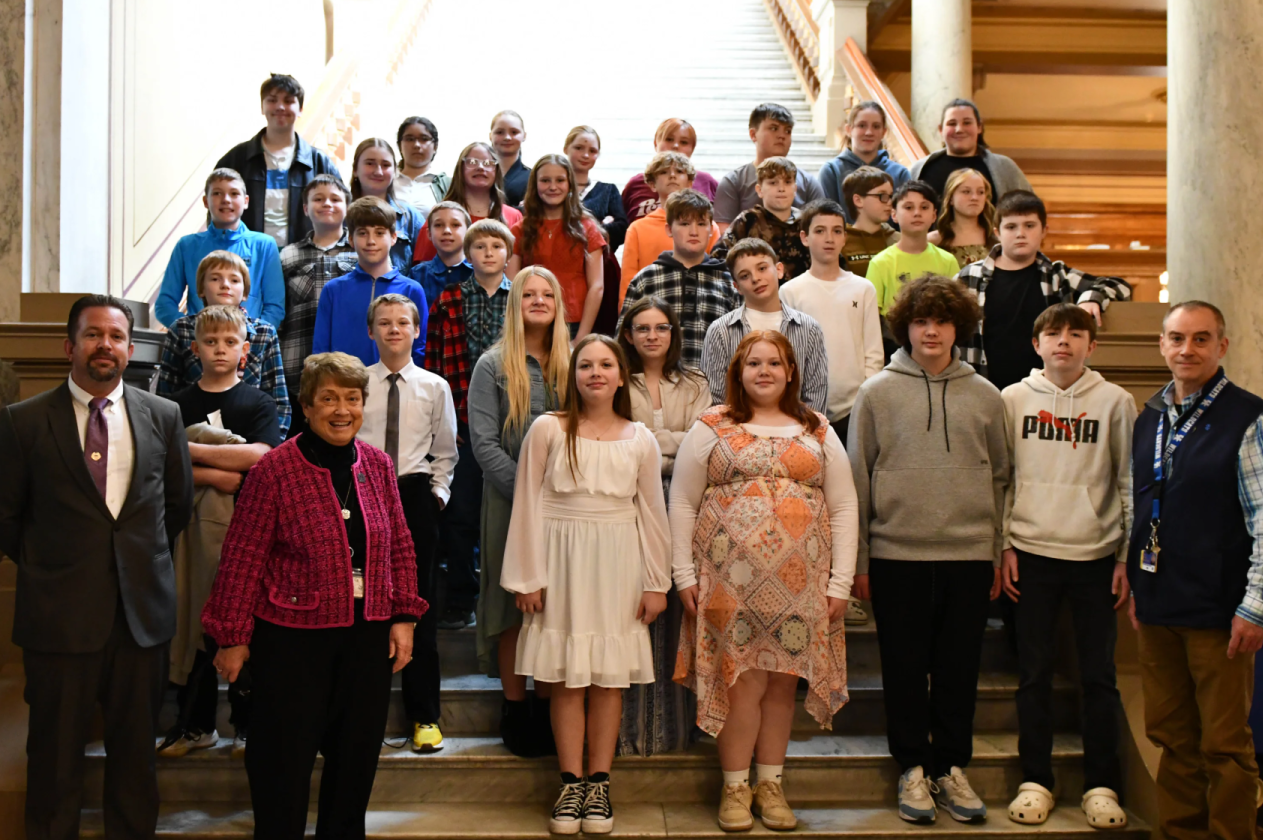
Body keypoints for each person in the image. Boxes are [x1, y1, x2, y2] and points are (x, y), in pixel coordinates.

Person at [202, 352, 426, 840]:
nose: (341, 409)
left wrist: (404, 614)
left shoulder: (379, 466)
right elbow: (242, 557)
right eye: (328, 398)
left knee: (354, 765)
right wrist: (232, 636)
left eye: (351, 398)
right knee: (281, 768)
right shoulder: (274, 470)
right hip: (291, 642)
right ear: (306, 406)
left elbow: (400, 544)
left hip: (366, 638)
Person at [0, 294, 193, 840]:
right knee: (54, 760)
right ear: (69, 346)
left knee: (135, 760)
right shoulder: (22, 423)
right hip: (58, 620)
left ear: (131, 350)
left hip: (141, 620)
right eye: (92, 335)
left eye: (114, 336)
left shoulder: (164, 416)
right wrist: (57, 567)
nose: (104, 345)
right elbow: (8, 520)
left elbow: (173, 508)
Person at [672, 330, 857, 832]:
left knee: (780, 687)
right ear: (738, 372)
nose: (764, 371)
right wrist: (682, 574)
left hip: (802, 584)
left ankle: (771, 785)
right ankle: (735, 787)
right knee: (741, 684)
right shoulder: (712, 425)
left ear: (791, 370)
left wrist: (840, 582)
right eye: (753, 363)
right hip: (728, 583)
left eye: (775, 362)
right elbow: (683, 501)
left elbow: (843, 506)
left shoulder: (817, 428)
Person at [848, 275, 1008, 825]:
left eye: (941, 321)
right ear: (905, 328)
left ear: (958, 327)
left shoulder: (987, 396)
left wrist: (995, 549)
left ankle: (949, 767)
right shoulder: (876, 393)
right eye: (921, 321)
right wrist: (862, 561)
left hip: (967, 556)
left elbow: (1003, 479)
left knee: (960, 669)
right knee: (904, 667)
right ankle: (913, 768)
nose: (932, 331)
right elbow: (857, 484)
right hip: (897, 555)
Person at [502, 335, 671, 835]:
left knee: (608, 680)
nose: (595, 373)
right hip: (559, 561)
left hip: (618, 560)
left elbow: (653, 515)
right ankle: (570, 783)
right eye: (585, 365)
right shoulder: (548, 429)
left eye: (606, 365)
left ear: (622, 375)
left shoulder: (640, 437)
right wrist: (527, 576)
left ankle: (600, 783)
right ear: (572, 375)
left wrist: (655, 582)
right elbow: (526, 505)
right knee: (567, 681)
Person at [1126, 301, 1263, 840]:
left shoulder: (1247, 417)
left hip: (1221, 613)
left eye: (1201, 339)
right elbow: (1140, 508)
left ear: (1221, 347)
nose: (1187, 350)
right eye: (1177, 339)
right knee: (1171, 738)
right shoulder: (1150, 419)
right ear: (1161, 345)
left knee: (1224, 747)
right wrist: (1138, 585)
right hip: (1158, 606)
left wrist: (1254, 606)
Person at [999, 303, 1134, 830]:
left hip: (1095, 555)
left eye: (1076, 334)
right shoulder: (1012, 399)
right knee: (1032, 674)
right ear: (1037, 344)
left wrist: (1124, 556)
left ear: (1091, 346)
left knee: (1098, 676)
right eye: (1053, 334)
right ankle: (1036, 780)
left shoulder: (1115, 402)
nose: (1063, 342)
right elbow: (1004, 479)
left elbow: (1127, 481)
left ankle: (1102, 785)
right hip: (1029, 552)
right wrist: (1005, 546)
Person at [160, 305, 280, 758]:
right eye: (211, 342)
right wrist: (212, 475)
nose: (220, 349)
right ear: (194, 349)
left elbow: (260, 457)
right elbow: (164, 463)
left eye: (230, 342)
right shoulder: (176, 403)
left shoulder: (257, 402)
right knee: (194, 622)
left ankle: (246, 726)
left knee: (242, 624)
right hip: (190, 528)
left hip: (247, 530)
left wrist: (187, 448)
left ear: (246, 350)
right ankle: (196, 724)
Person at [467, 266, 571, 756]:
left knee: (552, 608)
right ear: (514, 304)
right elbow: (484, 445)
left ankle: (549, 705)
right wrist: (529, 495)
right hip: (509, 504)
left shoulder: (574, 362)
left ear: (557, 303)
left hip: (570, 508)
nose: (536, 300)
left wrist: (558, 497)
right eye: (527, 293)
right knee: (512, 607)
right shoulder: (492, 365)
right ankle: (516, 706)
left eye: (545, 292)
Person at [359, 294, 459, 754]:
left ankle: (425, 716)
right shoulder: (357, 382)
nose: (394, 329)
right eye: (385, 323)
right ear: (371, 331)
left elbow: (446, 450)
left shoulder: (434, 386)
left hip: (415, 494)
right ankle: (365, 715)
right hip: (363, 493)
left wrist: (437, 494)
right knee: (365, 606)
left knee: (417, 605)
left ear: (417, 331)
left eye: (403, 322)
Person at [614, 298, 710, 757]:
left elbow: (702, 444)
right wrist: (669, 444)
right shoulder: (614, 378)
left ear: (674, 333)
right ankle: (631, 730)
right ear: (628, 334)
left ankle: (676, 726)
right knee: (636, 605)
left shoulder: (696, 383)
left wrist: (649, 442)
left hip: (690, 503)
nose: (652, 336)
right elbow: (615, 439)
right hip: (627, 504)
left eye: (661, 328)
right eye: (642, 328)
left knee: (679, 608)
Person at [425, 219, 516, 630]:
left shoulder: (520, 298)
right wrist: (439, 417)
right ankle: (461, 598)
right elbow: (436, 360)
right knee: (461, 515)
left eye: (497, 246)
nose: (488, 253)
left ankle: (506, 598)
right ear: (469, 253)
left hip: (511, 424)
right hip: (461, 420)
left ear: (508, 255)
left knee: (508, 515)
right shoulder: (449, 298)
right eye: (479, 247)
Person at [956, 190, 1132, 395]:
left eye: (1029, 226)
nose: (1020, 233)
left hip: (1045, 395)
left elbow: (1121, 287)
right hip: (981, 391)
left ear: (1044, 230)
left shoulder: (1058, 276)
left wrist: (1089, 298)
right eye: (1011, 227)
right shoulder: (968, 277)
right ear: (997, 231)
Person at [781, 199, 884, 444]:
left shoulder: (863, 288)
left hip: (854, 407)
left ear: (844, 238)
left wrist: (865, 398)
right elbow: (787, 354)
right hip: (804, 407)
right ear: (805, 238)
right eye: (820, 231)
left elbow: (873, 352)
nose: (829, 238)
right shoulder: (790, 291)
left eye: (837, 231)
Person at [157, 250, 290, 436]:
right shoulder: (182, 329)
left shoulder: (264, 333)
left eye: (234, 280)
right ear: (201, 289)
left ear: (245, 292)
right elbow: (165, 396)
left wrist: (270, 448)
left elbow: (278, 400)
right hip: (193, 434)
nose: (225, 285)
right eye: (215, 279)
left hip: (251, 435)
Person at [703, 237, 828, 415]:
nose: (756, 278)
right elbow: (716, 400)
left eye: (762, 268)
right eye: (745, 276)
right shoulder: (720, 331)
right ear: (737, 287)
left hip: (797, 433)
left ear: (779, 270)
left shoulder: (809, 329)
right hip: (737, 434)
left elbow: (816, 394)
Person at [215, 74, 342, 248]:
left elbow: (341, 215)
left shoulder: (319, 163)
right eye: (272, 100)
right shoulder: (236, 159)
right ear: (262, 106)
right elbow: (216, 215)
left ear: (300, 109)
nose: (280, 107)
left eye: (289, 101)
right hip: (248, 259)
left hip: (304, 261)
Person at [622, 190, 739, 370]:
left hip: (715, 388)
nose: (693, 232)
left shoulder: (728, 281)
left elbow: (741, 342)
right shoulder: (646, 279)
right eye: (684, 224)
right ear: (669, 229)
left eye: (701, 224)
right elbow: (623, 340)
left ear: (711, 229)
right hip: (655, 386)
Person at [155, 168, 285, 328]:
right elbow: (164, 305)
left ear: (246, 201)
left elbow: (275, 307)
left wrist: (253, 338)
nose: (226, 199)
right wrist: (191, 332)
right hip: (198, 345)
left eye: (234, 193)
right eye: (217, 193)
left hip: (248, 345)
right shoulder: (187, 246)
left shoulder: (264, 245)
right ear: (205, 201)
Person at [312, 196, 428, 368]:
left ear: (394, 237)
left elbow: (420, 347)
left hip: (398, 386)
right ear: (351, 239)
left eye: (380, 233)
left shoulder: (412, 289)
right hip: (345, 387)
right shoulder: (333, 290)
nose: (371, 241)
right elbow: (321, 350)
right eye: (362, 233)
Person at [279, 174, 355, 422]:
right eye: (318, 199)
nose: (327, 204)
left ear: (347, 207)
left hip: (353, 368)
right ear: (305, 208)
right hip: (297, 370)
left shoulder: (360, 253)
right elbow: (279, 310)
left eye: (335, 199)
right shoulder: (288, 255)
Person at [508, 155, 606, 342]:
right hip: (532, 320)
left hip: (574, 323)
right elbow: (512, 284)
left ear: (570, 184)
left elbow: (597, 286)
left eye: (560, 180)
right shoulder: (520, 229)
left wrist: (581, 337)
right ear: (534, 185)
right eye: (545, 180)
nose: (553, 187)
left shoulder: (587, 228)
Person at [620, 152, 722, 300]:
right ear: (652, 184)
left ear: (689, 183)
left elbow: (717, 274)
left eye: (679, 171)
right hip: (650, 313)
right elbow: (628, 283)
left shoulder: (708, 227)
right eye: (664, 172)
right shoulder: (637, 229)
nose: (672, 175)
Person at [713, 103, 825, 230]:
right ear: (753, 135)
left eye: (788, 131)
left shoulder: (809, 183)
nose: (782, 136)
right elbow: (723, 235)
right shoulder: (733, 182)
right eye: (773, 128)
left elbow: (821, 229)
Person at [411, 141, 525, 265]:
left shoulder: (513, 216)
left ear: (496, 170)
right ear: (461, 169)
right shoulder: (440, 215)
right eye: (472, 162)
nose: (480, 167)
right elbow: (422, 267)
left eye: (488, 163)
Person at [910, 98, 1030, 205]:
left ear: (979, 127)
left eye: (967, 123)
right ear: (941, 130)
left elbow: (1029, 208)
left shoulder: (1005, 168)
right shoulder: (921, 169)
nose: (959, 129)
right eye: (952, 123)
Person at [711, 157, 812, 281]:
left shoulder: (808, 223)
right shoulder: (747, 221)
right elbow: (718, 258)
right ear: (759, 190)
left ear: (795, 189)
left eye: (787, 182)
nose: (781, 188)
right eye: (773, 182)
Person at [866, 181, 960, 315]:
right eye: (909, 207)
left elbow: (956, 310)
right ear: (894, 215)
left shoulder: (948, 261)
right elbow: (871, 316)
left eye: (924, 207)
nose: (917, 213)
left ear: (934, 215)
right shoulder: (880, 263)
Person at [818, 100, 911, 223]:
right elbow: (826, 219)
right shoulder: (832, 171)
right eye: (862, 125)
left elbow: (904, 220)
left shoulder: (900, 174)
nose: (869, 132)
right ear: (849, 129)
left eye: (876, 126)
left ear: (884, 132)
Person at [621, 118, 720, 222]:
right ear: (656, 143)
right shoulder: (635, 184)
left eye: (684, 142)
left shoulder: (707, 182)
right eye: (669, 139)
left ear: (692, 148)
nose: (675, 146)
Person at [348, 137, 425, 271]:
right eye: (370, 163)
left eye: (386, 165)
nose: (378, 171)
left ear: (395, 171)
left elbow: (424, 270)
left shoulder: (410, 218)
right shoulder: (339, 215)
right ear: (355, 169)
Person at [564, 125, 628, 251]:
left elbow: (622, 230)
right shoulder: (553, 189)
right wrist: (600, 225)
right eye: (579, 148)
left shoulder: (608, 191)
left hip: (601, 264)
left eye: (592, 151)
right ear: (566, 149)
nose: (586, 155)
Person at [408, 200, 473, 308]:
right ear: (429, 234)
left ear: (469, 232)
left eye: (455, 225)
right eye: (438, 225)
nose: (447, 231)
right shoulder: (417, 275)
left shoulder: (479, 272)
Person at [928, 168, 997, 268]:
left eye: (980, 192)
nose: (974, 197)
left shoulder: (996, 238)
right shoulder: (934, 241)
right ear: (951, 198)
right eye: (966, 191)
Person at [841, 166, 900, 278]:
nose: (889, 202)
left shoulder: (899, 241)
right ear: (858, 200)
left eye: (891, 196)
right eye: (882, 196)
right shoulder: (840, 243)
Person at [395, 116, 450, 219]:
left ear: (435, 146)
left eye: (424, 139)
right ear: (399, 145)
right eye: (410, 139)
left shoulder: (447, 185)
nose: (416, 145)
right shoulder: (388, 180)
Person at [491, 110, 531, 207]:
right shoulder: (479, 174)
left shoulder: (534, 178)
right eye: (500, 132)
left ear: (524, 136)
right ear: (490, 135)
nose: (507, 137)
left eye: (514, 132)